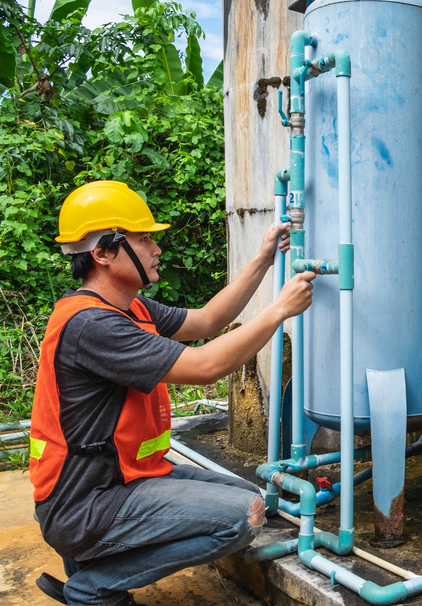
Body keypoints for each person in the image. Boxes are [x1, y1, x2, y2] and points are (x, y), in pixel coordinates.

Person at [28, 180, 315, 606]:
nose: (156, 249)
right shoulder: (94, 326)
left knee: (253, 499)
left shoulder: (131, 307)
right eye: (143, 239)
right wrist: (280, 310)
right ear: (103, 253)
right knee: (243, 517)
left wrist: (263, 260)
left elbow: (205, 322)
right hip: (86, 504)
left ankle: (89, 567)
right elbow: (205, 366)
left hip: (120, 481)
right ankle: (93, 586)